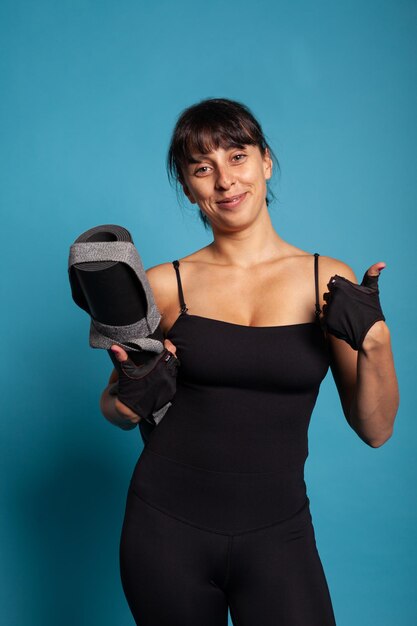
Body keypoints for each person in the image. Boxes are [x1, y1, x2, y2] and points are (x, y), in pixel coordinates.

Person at [100, 98, 399, 626]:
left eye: (237, 157)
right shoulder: (164, 286)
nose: (224, 181)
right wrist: (131, 392)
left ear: (266, 161)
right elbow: (116, 407)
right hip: (165, 530)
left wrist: (376, 342)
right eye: (202, 168)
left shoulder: (325, 281)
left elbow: (375, 430)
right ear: (189, 190)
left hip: (279, 533)